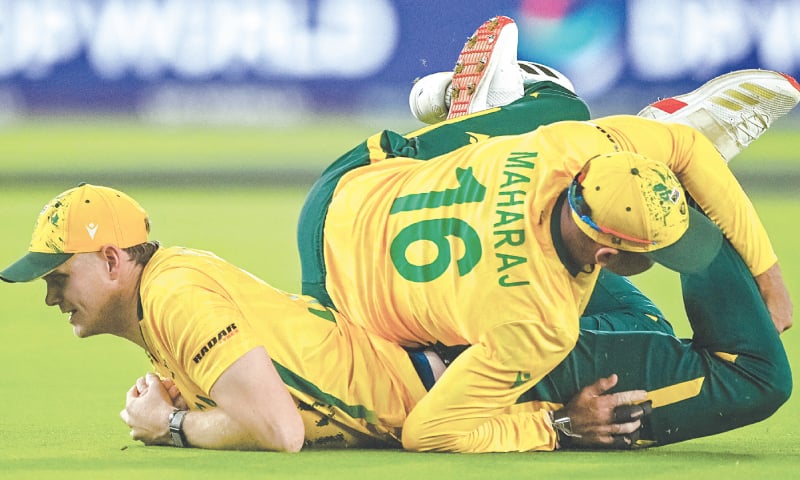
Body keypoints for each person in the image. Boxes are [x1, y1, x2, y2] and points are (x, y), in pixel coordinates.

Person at [296, 16, 797, 452]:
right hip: (353, 311)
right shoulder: (539, 323)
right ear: (606, 256)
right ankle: (668, 187)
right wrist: (556, 427)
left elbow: (684, 146)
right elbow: (428, 432)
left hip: (340, 194)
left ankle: (480, 108)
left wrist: (768, 278)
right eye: (659, 252)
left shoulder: (568, 147)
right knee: (691, 346)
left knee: (562, 104)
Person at [0, 183, 653, 451]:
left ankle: (646, 186)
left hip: (475, 372)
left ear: (113, 260)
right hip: (456, 360)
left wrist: (170, 425)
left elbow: (280, 431)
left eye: (58, 276)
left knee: (740, 371)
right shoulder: (165, 290)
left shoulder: (173, 297)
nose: (51, 295)